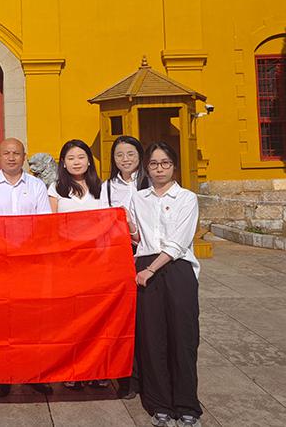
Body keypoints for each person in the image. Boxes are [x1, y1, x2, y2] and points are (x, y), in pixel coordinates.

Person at [127, 142, 202, 427]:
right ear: (146, 168)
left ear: (174, 166)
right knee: (152, 337)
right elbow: (137, 236)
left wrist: (150, 269)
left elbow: (179, 242)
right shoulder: (139, 197)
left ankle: (186, 404)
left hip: (175, 267)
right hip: (145, 266)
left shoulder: (186, 198)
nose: (159, 169)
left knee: (184, 337)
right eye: (154, 164)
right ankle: (159, 403)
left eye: (165, 163)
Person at [0, 137, 52, 397]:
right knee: (1, 321)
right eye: (7, 153)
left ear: (24, 157)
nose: (12, 157)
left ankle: (34, 373)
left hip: (29, 262)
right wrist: (6, 249)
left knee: (31, 320)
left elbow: (43, 223)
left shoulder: (36, 186)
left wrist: (24, 250)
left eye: (17, 153)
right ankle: (3, 375)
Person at [47, 139, 102, 390]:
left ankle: (97, 369)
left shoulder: (102, 188)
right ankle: (72, 369)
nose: (76, 162)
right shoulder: (56, 189)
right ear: (63, 163)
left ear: (89, 160)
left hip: (96, 261)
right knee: (71, 318)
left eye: (81, 157)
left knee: (96, 316)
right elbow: (50, 226)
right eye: (70, 158)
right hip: (67, 262)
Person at [99, 135, 149, 396]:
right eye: (119, 155)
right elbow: (101, 223)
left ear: (140, 155)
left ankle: (149, 377)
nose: (125, 159)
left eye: (130, 154)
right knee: (122, 318)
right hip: (120, 255)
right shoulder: (107, 187)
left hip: (149, 254)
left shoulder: (151, 183)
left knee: (146, 320)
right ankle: (127, 378)